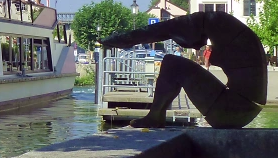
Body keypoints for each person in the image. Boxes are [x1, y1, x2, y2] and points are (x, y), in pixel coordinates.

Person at [100, 11, 267, 129]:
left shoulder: (217, 24)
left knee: (173, 63)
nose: (192, 46)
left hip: (231, 110)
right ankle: (156, 115)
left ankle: (155, 116)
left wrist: (125, 39)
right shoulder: (233, 30)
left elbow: (165, 29)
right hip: (245, 109)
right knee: (175, 64)